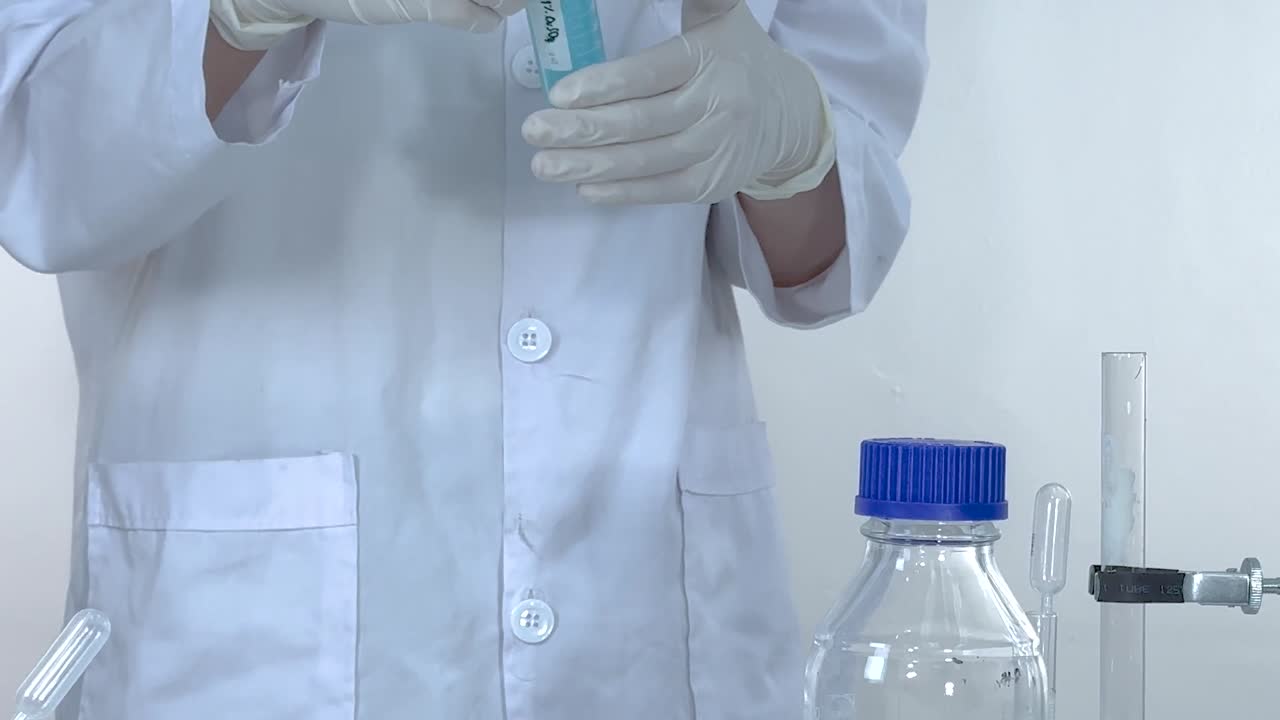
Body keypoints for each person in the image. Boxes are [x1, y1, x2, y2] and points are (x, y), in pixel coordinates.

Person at [0, 0, 926, 717]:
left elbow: (831, 240)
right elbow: (39, 156)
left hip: (638, 592)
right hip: (245, 632)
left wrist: (790, 140)